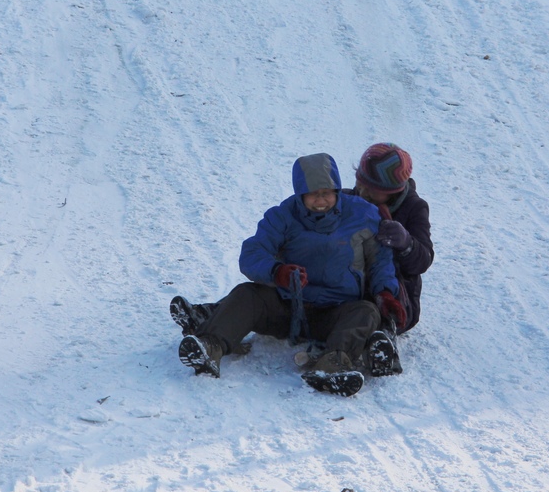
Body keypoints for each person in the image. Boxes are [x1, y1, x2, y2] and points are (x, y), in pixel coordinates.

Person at [170, 152, 406, 397]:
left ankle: (333, 365)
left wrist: (385, 293)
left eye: (326, 192)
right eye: (313, 194)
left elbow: (380, 260)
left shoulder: (362, 214)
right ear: (300, 194)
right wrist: (277, 272)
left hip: (337, 311)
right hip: (289, 307)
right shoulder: (282, 216)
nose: (321, 200)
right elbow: (252, 253)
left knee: (366, 312)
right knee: (247, 294)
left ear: (337, 189)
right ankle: (210, 345)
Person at [346, 143, 434, 376]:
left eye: (372, 189)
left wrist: (406, 243)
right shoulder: (348, 200)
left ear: (394, 190)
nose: (362, 192)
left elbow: (423, 260)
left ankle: (382, 344)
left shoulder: (414, 208)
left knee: (384, 300)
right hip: (353, 281)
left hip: (396, 291)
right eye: (360, 183)